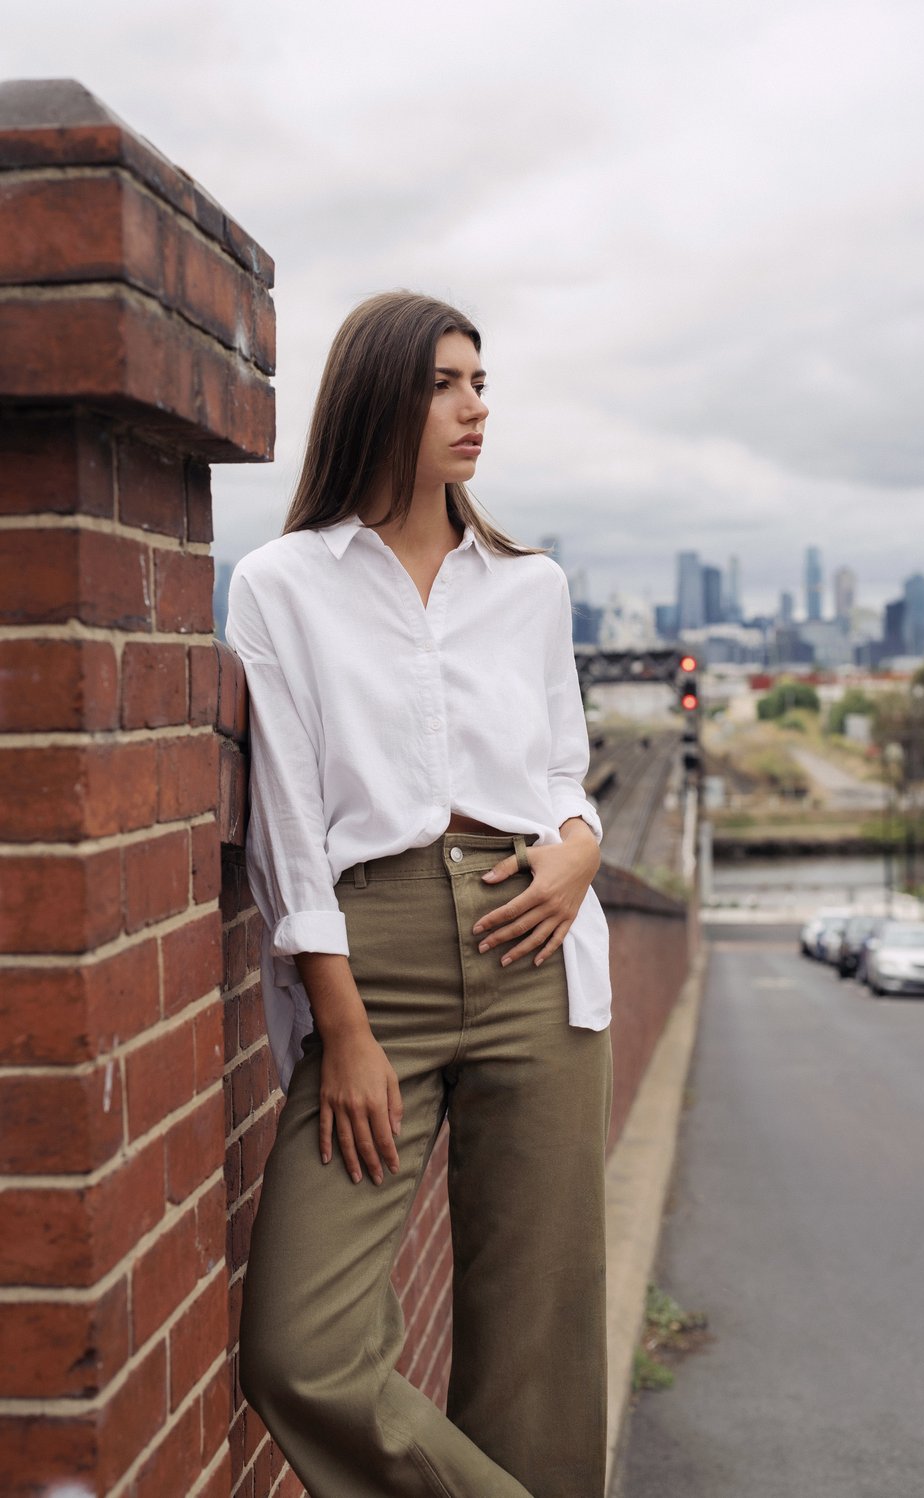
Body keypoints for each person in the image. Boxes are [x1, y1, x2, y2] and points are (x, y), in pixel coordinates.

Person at [226, 290, 613, 1498]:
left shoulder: (528, 584)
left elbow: (563, 769)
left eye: (480, 382)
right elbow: (288, 825)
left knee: (532, 1355)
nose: (473, 407)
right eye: (445, 382)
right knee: (303, 1349)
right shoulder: (283, 584)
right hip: (371, 957)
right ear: (377, 398)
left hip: (533, 941)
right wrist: (337, 1020)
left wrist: (581, 846)